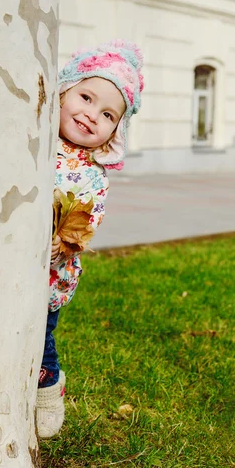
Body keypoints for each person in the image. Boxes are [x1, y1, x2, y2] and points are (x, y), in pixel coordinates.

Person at [36, 40, 144, 438]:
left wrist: (63, 243)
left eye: (107, 114)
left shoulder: (93, 176)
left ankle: (48, 386)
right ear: (64, 90)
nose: (90, 115)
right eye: (85, 97)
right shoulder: (35, 144)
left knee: (41, 333)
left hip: (50, 273)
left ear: (114, 132)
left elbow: (86, 223)